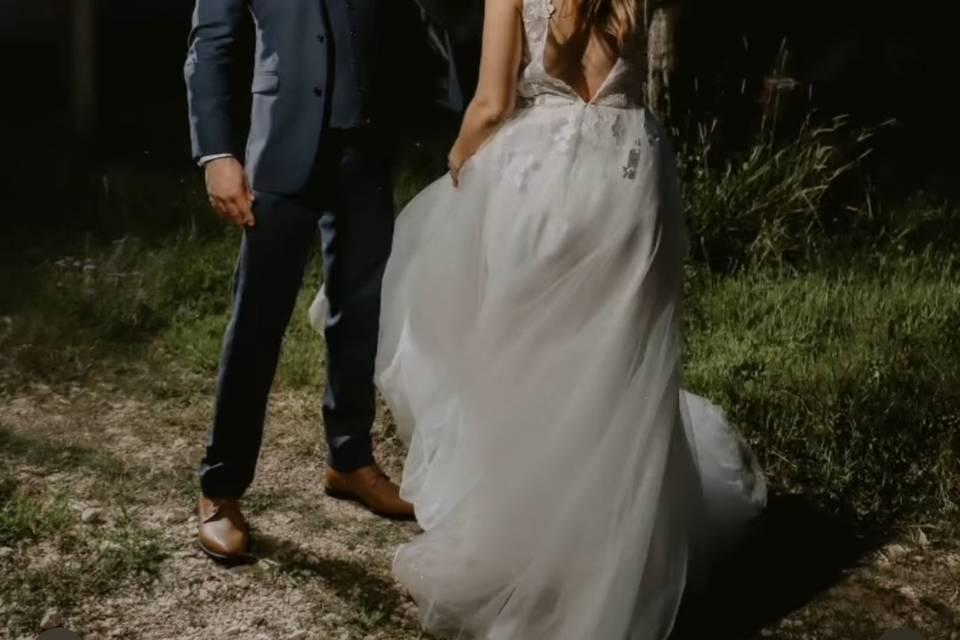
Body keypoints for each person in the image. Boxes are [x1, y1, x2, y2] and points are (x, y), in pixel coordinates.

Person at [325, 0, 767, 636]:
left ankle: (531, 553)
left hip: (541, 184)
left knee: (527, 367)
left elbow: (492, 103)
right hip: (632, 177)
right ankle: (620, 561)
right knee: (621, 374)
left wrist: (458, 159)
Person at [184, 0, 458, 560]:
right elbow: (209, 46)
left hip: (367, 149)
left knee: (359, 312)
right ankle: (220, 487)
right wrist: (216, 154)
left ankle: (350, 459)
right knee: (258, 322)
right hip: (282, 151)